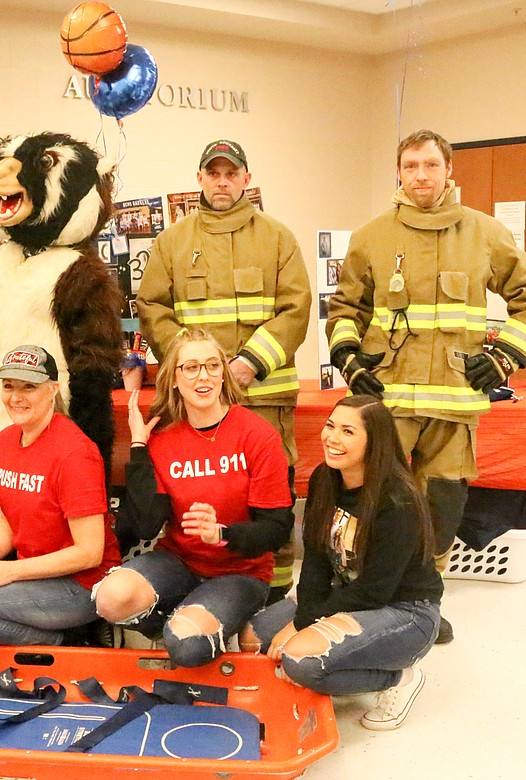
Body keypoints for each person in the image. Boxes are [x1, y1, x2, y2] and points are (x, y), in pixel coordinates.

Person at [327, 129, 526, 644]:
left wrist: (504, 358)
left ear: (450, 171)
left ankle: (423, 602)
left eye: (432, 165)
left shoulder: (486, 234)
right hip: (386, 403)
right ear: (399, 173)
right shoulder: (372, 237)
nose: (422, 176)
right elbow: (345, 308)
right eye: (411, 166)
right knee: (374, 502)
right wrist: (347, 356)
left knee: (440, 509)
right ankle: (366, 596)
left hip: (454, 406)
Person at [136, 139, 311, 603]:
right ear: (199, 180)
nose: (222, 181)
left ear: (246, 179)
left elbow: (295, 308)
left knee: (271, 501)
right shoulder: (172, 242)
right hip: (195, 400)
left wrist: (250, 363)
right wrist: (193, 365)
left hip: (265, 397)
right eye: (212, 173)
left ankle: (271, 600)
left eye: (231, 173)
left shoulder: (277, 238)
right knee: (195, 484)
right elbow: (152, 306)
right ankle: (201, 584)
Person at [94, 329, 294, 667]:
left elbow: (276, 529)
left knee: (187, 647)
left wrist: (223, 534)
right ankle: (189, 618)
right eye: (191, 367)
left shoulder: (258, 435)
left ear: (223, 374)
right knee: (109, 599)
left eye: (212, 366)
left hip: (241, 572)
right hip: (179, 563)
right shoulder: (163, 439)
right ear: (174, 378)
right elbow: (145, 526)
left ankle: (217, 620)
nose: (203, 376)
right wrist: (140, 448)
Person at [241, 395, 442, 731]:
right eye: (330, 426)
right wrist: (306, 615)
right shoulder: (325, 477)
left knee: (298, 662)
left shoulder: (398, 501)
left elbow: (374, 592)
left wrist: (303, 625)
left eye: (348, 431)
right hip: (348, 594)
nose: (332, 438)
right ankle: (340, 665)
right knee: (254, 639)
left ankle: (399, 678)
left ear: (374, 442)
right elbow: (317, 560)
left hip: (405, 611)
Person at [0, 345, 120, 646]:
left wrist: (9, 571)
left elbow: (90, 552)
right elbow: (9, 524)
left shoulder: (76, 453)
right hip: (33, 575)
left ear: (53, 389)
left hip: (81, 584)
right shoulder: (4, 442)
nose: (16, 397)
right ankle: (62, 635)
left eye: (29, 387)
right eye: (8, 386)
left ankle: (69, 641)